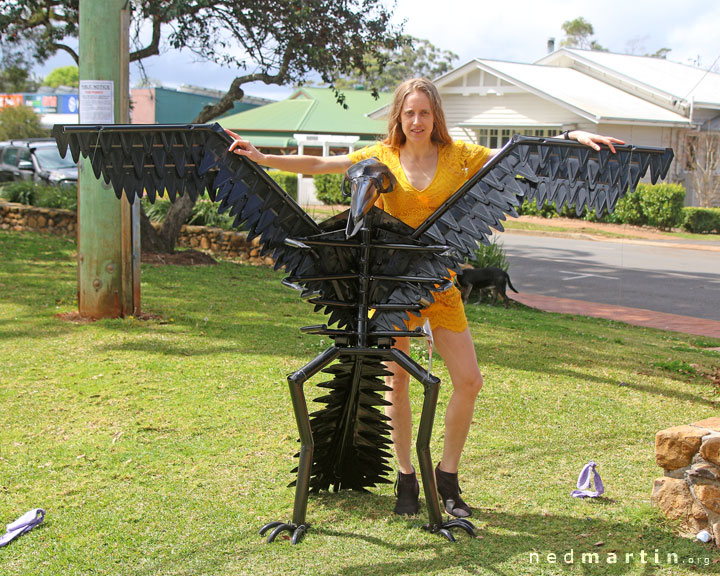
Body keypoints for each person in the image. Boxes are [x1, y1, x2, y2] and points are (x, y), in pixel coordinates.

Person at [226, 77, 624, 518]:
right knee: (397, 382)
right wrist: (263, 157)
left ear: (436, 116)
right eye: (409, 112)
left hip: (440, 288)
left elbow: (515, 157)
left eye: (425, 112)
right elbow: (321, 164)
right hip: (394, 293)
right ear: (399, 116)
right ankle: (405, 478)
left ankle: (446, 477)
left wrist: (569, 137)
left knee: (469, 382)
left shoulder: (460, 156)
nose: (417, 121)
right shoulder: (380, 157)